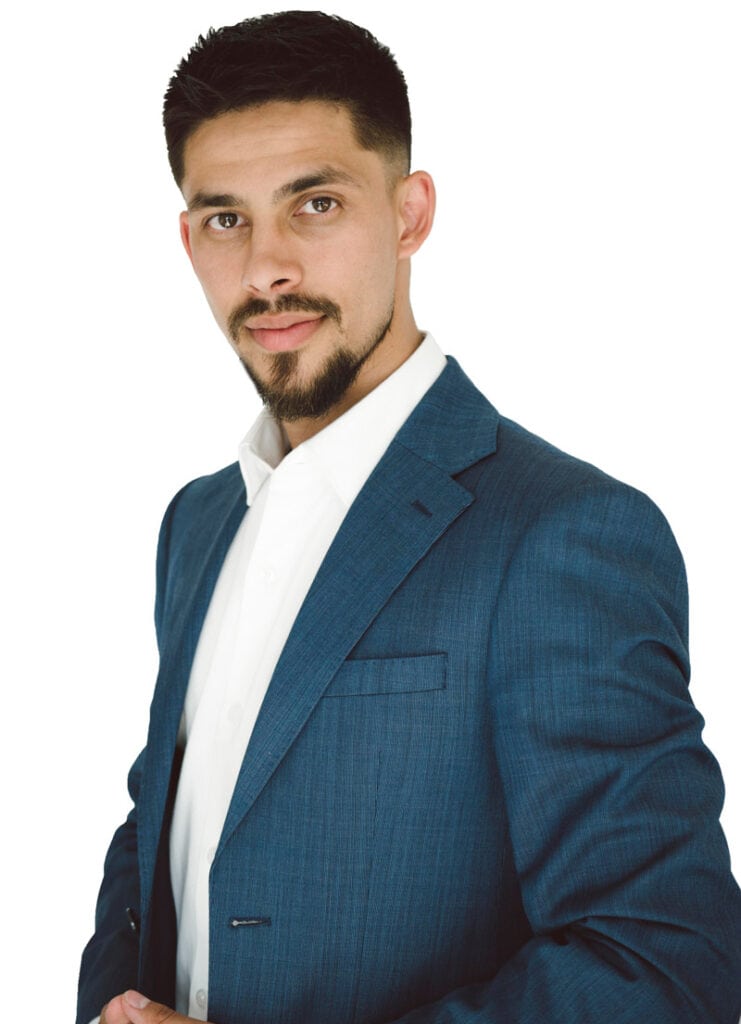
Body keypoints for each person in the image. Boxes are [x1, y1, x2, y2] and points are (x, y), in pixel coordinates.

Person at [77, 11, 741, 1024]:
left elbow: (666, 968)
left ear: (408, 212)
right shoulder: (198, 523)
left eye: (315, 204)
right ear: (187, 237)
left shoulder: (563, 535)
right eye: (226, 220)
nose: (266, 269)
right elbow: (157, 834)